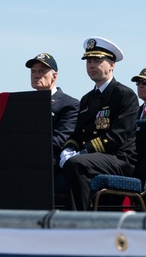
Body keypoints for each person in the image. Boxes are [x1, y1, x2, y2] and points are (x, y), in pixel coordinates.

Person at [59, 37, 139, 210]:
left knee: (76, 164)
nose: (91, 65)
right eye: (88, 61)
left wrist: (84, 150)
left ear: (112, 65)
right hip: (94, 157)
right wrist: (68, 149)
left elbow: (116, 136)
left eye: (97, 60)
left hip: (119, 158)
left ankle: (78, 221)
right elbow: (78, 133)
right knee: (57, 162)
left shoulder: (124, 94)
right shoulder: (87, 98)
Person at [25, 52, 80, 164]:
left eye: (41, 71)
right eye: (33, 71)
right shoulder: (26, 103)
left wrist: (26, 147)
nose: (36, 75)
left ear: (54, 76)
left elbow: (59, 140)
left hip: (49, 164)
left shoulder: (69, 104)